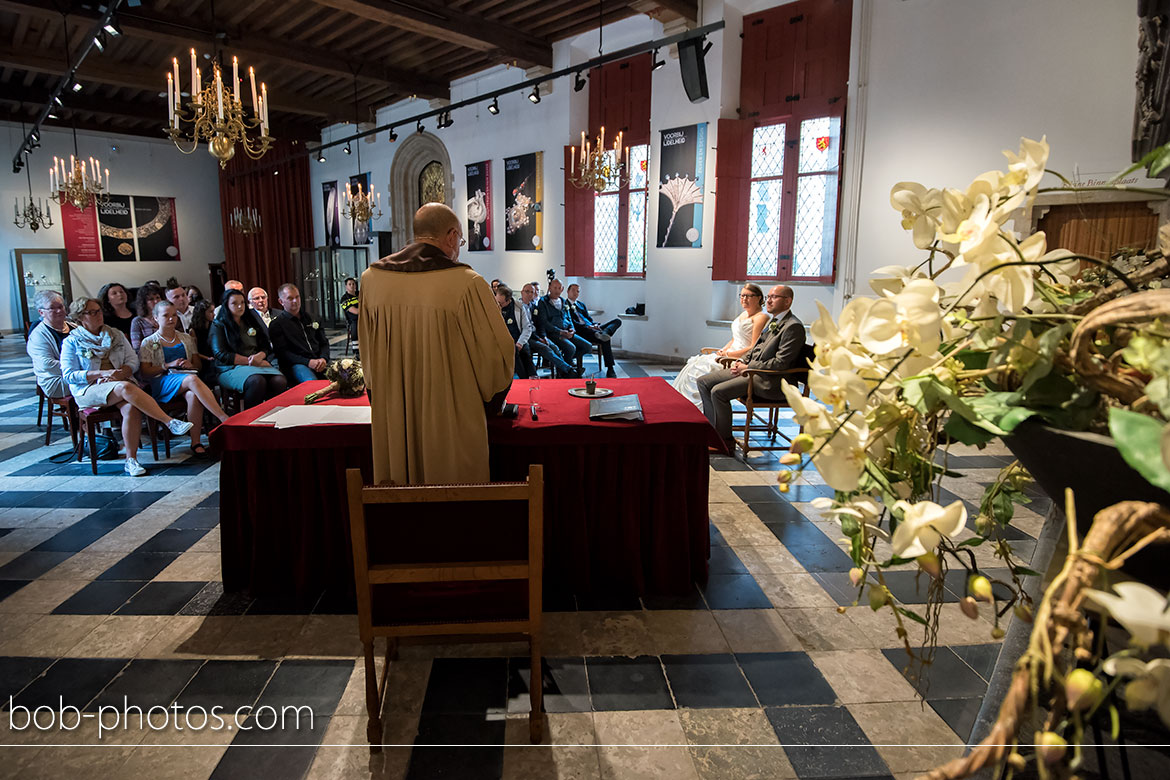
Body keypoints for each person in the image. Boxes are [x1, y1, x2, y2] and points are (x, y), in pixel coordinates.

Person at [359, 202, 514, 485]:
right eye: (461, 241)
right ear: (452, 236)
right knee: (453, 505)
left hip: (396, 421)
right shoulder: (467, 283)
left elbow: (367, 358)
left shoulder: (371, 280)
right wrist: (491, 404)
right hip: (450, 423)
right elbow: (496, 359)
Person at [61, 297, 194, 476]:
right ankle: (168, 421)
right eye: (91, 312)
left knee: (131, 407)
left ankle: (131, 460)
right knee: (125, 388)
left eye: (98, 311)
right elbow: (69, 375)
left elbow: (133, 361)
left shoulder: (114, 335)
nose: (97, 315)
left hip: (118, 383)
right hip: (89, 388)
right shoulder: (72, 342)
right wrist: (102, 374)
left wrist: (119, 373)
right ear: (80, 318)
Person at [696, 286, 805, 446]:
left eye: (774, 297)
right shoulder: (774, 320)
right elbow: (755, 347)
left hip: (771, 380)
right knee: (703, 382)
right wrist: (741, 362)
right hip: (754, 371)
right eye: (768, 296)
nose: (768, 300)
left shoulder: (793, 327)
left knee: (718, 392)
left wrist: (748, 367)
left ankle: (724, 441)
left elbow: (780, 363)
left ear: (787, 301)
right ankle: (713, 431)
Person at [138, 301, 229, 456]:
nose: (171, 319)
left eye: (174, 315)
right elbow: (145, 372)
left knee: (193, 394)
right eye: (166, 316)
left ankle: (196, 442)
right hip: (162, 381)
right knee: (192, 381)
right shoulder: (149, 342)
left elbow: (198, 365)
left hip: (185, 378)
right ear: (156, 318)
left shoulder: (186, 338)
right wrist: (167, 365)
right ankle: (223, 417)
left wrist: (189, 364)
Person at [673, 284, 769, 407]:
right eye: (742, 296)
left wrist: (728, 354)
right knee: (693, 365)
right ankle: (683, 405)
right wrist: (723, 349)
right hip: (730, 353)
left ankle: (699, 407)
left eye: (748, 296)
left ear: (759, 298)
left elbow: (753, 347)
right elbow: (735, 338)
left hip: (740, 358)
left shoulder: (761, 317)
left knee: (701, 370)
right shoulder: (743, 315)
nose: (744, 299)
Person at [210, 288, 288, 408]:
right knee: (257, 381)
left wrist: (260, 356)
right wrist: (251, 362)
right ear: (226, 305)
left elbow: (265, 345)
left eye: (242, 303)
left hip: (256, 365)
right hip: (230, 368)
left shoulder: (251, 320)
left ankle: (270, 414)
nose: (240, 306)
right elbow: (220, 354)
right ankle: (250, 418)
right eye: (234, 303)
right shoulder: (219, 325)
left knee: (279, 381)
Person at [269, 284, 330, 384]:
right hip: (296, 364)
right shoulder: (277, 324)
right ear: (281, 302)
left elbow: (324, 342)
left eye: (297, 297)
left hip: (318, 360)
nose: (295, 301)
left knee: (344, 379)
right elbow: (283, 353)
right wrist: (308, 362)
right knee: (311, 383)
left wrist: (323, 358)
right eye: (290, 298)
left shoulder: (311, 318)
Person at [521, 282, 578, 378]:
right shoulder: (518, 307)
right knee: (546, 348)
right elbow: (525, 328)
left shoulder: (534, 306)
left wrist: (543, 336)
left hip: (538, 335)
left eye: (532, 292)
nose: (530, 294)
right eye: (527, 291)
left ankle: (563, 372)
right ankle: (568, 370)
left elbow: (540, 324)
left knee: (554, 347)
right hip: (526, 337)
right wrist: (539, 338)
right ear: (522, 292)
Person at [565, 283, 621, 378]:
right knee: (605, 340)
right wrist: (589, 327)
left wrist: (594, 325)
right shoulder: (564, 305)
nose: (576, 293)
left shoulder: (581, 305)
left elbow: (589, 318)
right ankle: (610, 369)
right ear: (568, 291)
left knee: (617, 321)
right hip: (582, 331)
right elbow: (572, 323)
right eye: (573, 290)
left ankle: (605, 332)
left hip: (592, 328)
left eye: (578, 291)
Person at [536, 278, 592, 372]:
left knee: (587, 346)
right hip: (554, 334)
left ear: (562, 289)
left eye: (559, 288)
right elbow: (544, 322)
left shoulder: (563, 301)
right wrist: (560, 332)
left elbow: (568, 317)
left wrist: (572, 329)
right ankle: (568, 369)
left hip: (567, 332)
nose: (557, 291)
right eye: (555, 288)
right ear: (549, 288)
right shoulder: (543, 301)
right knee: (571, 348)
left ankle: (566, 364)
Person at [26, 290, 72, 399]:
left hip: (80, 373)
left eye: (61, 307)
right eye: (52, 308)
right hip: (55, 380)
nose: (59, 311)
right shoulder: (38, 335)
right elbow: (47, 364)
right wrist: (78, 368)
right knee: (98, 383)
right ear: (41, 312)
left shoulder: (74, 327)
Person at [495, 283, 537, 379]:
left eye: (501, 303)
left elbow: (527, 327)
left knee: (526, 352)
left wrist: (520, 343)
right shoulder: (494, 308)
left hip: (518, 339)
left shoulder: (519, 307)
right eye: (497, 301)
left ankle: (533, 378)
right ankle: (524, 379)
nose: (498, 305)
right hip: (502, 342)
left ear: (509, 300)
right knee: (514, 352)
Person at [129, 283, 164, 351]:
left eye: (158, 297)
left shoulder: (168, 317)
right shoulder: (137, 321)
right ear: (144, 302)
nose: (156, 301)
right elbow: (137, 348)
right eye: (151, 299)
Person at [340, 277, 360, 355]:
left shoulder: (360, 294)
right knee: (355, 324)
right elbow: (356, 311)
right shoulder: (344, 299)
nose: (352, 286)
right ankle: (357, 352)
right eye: (349, 284)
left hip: (365, 318)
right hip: (354, 321)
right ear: (346, 286)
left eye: (353, 284)